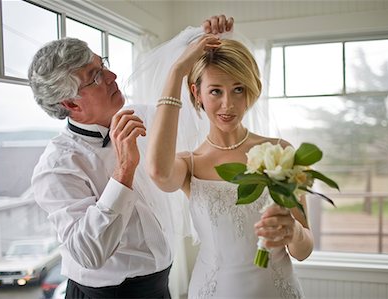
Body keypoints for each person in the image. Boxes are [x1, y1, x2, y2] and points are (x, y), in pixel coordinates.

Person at [28, 15, 234, 299]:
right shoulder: (56, 167)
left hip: (161, 286)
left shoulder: (143, 116)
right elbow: (88, 253)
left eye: (103, 66)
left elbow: (190, 113)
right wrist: (124, 169)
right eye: (96, 77)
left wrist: (204, 39)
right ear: (71, 103)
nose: (112, 77)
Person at [147, 35, 313, 298]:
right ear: (196, 93)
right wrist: (176, 71)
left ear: (250, 90)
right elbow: (158, 171)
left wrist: (293, 232)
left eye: (238, 89)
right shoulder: (189, 164)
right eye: (215, 91)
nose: (228, 104)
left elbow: (303, 251)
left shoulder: (280, 151)